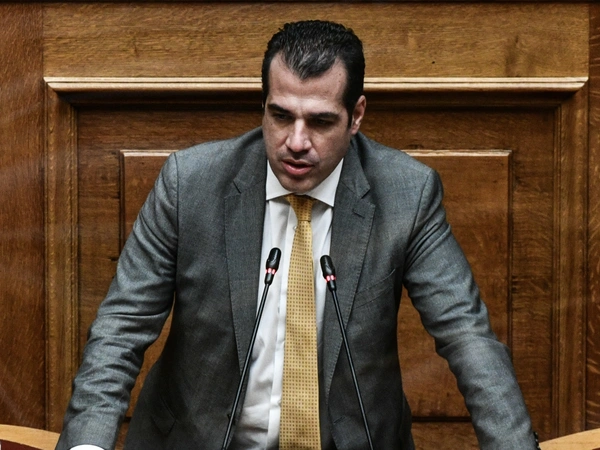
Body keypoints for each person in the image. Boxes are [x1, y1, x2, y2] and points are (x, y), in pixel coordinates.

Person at [56, 20, 539, 450]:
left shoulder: (406, 194)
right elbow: (122, 327)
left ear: (357, 116)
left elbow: (466, 335)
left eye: (321, 121)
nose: (296, 142)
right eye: (281, 115)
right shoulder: (191, 184)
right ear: (263, 106)